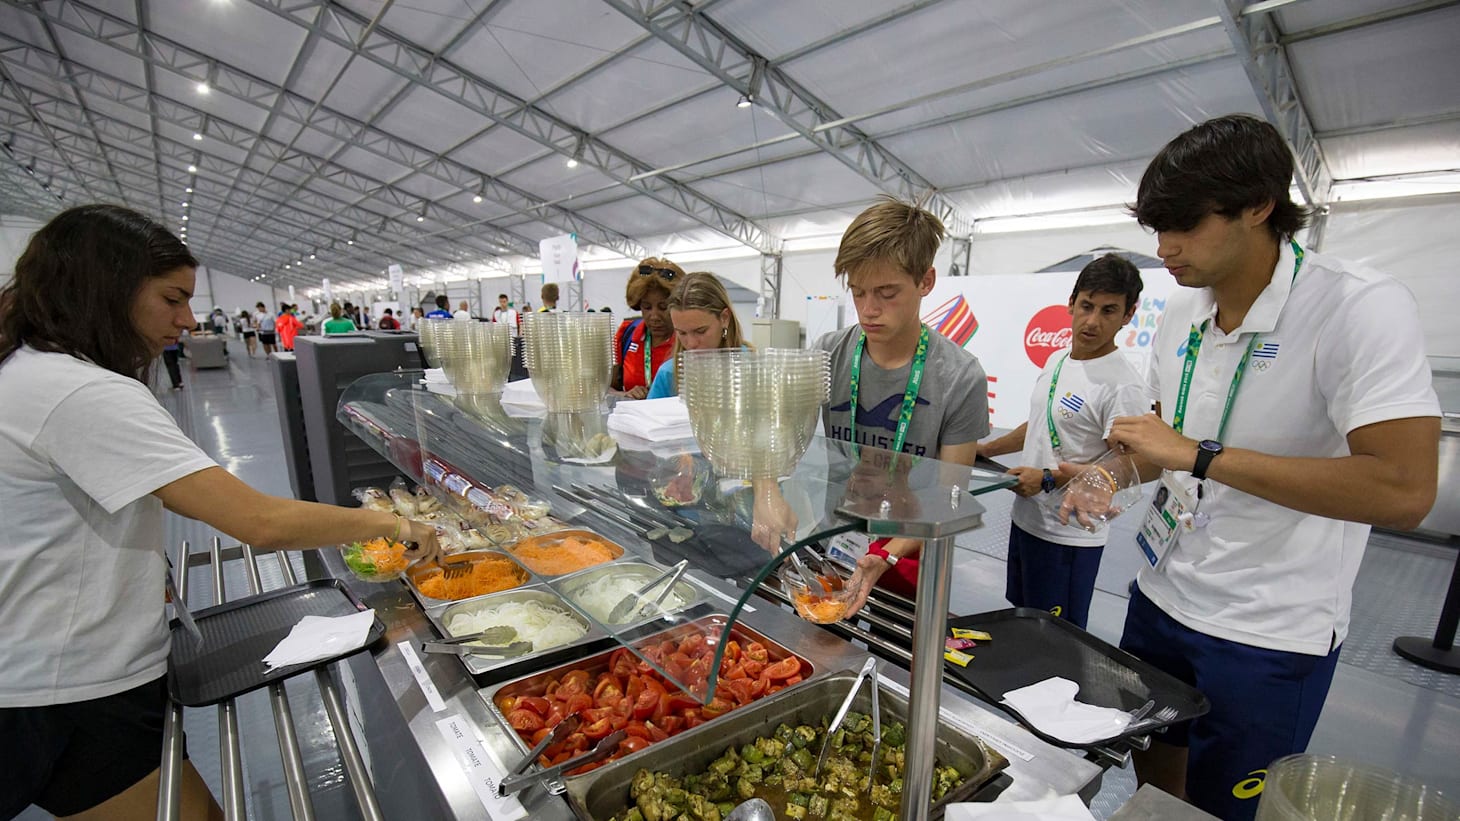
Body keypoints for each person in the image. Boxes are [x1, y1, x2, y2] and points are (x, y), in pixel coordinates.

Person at [0, 204, 442, 821]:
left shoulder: (33, 370)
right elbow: (258, 521)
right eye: (171, 298)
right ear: (105, 290)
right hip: (64, 686)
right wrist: (393, 523)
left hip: (52, 669)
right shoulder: (83, 392)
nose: (187, 319)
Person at [1098, 115, 1440, 820]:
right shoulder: (1180, 312)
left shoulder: (1357, 306)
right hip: (1161, 596)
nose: (1165, 248)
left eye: (1185, 225)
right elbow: (1162, 447)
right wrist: (1111, 473)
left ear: (1258, 206)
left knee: (1227, 806)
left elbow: (1405, 490)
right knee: (1155, 790)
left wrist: (1200, 455)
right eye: (1157, 228)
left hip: (1267, 631)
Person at [810, 197, 990, 610]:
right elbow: (783, 438)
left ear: (926, 281)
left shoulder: (959, 376)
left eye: (887, 293)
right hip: (835, 538)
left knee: (899, 647)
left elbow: (950, 495)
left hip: (912, 550)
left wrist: (888, 554)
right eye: (858, 292)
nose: (869, 309)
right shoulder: (828, 354)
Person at [974, 254, 1147, 629]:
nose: (1092, 321)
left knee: (1055, 640)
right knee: (1023, 623)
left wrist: (1049, 479)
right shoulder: (1058, 359)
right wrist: (986, 449)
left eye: (1108, 311)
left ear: (1128, 315)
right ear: (1071, 303)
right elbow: (1040, 423)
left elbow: (1131, 467)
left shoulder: (1123, 385)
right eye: (1087, 306)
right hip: (1028, 521)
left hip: (1068, 537)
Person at [647, 271, 747, 400]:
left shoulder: (755, 368)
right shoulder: (668, 375)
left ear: (724, 318)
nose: (691, 344)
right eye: (682, 333)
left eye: (701, 331)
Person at [612, 257, 682, 400]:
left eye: (663, 307)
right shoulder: (626, 334)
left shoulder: (688, 340)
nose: (654, 316)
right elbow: (605, 389)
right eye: (647, 307)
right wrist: (625, 395)